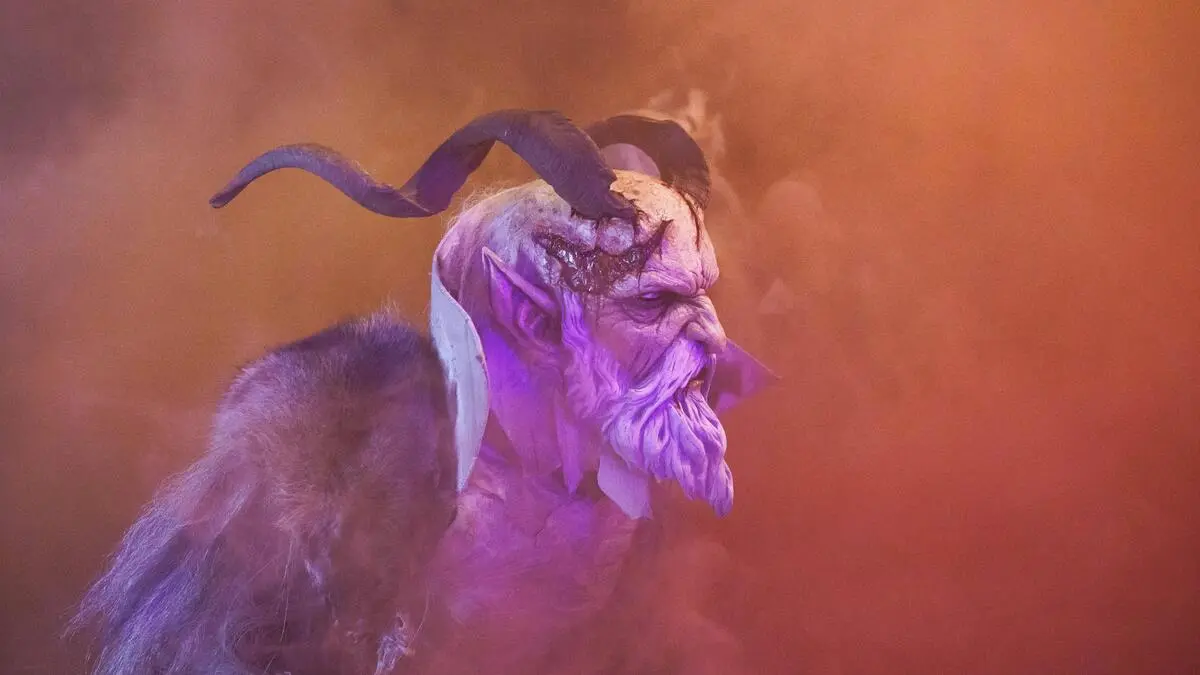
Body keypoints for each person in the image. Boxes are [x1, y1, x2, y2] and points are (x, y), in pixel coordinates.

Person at [70, 109, 774, 674]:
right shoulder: (326, 469)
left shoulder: (631, 485)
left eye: (697, 293)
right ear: (529, 313)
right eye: (653, 301)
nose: (712, 338)